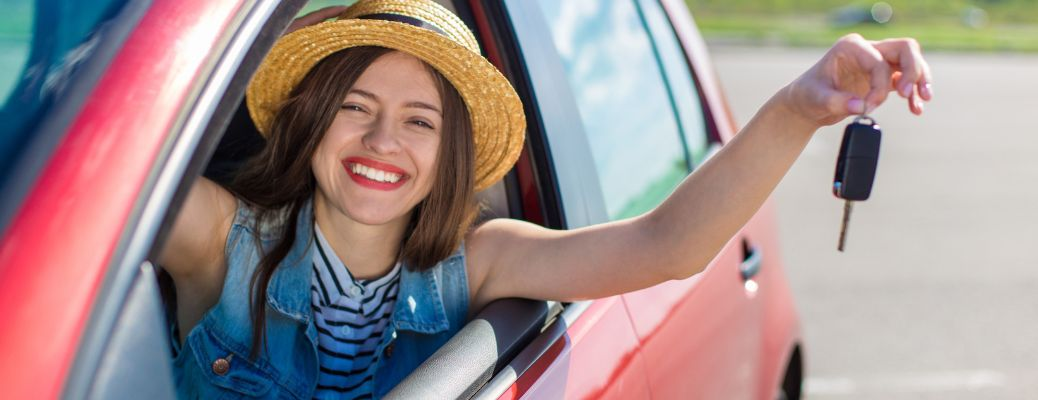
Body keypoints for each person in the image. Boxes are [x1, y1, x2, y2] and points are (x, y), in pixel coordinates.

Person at [158, 0, 933, 398]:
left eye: (419, 121)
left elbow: (666, 247)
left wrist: (800, 106)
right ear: (310, 119)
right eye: (353, 106)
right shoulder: (223, 243)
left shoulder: (478, 260)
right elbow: (95, 193)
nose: (381, 139)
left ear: (450, 157)